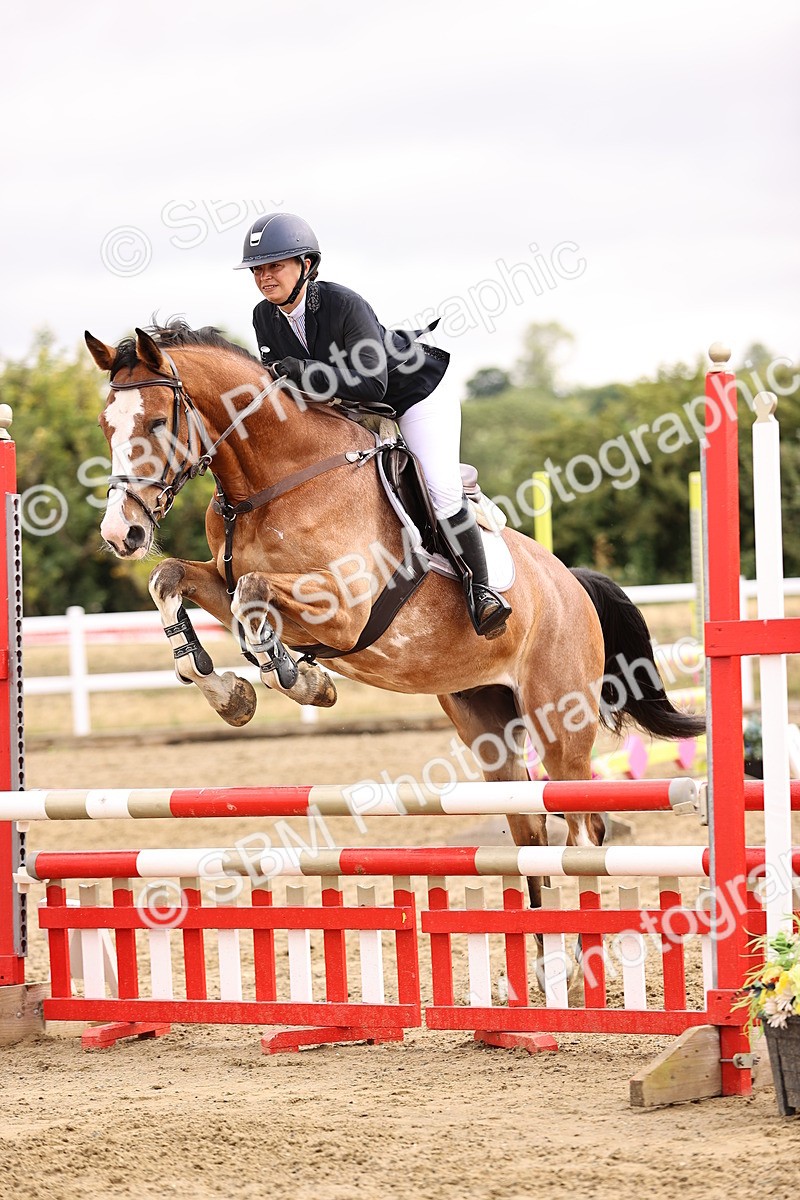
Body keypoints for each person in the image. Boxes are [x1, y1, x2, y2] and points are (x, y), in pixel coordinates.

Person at [235, 212, 512, 638]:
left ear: (306, 265)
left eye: (275, 266)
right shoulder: (263, 317)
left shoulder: (344, 304)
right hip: (353, 408)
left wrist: (304, 370)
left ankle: (483, 593)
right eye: (258, 269)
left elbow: (371, 381)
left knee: (439, 489)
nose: (264, 277)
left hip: (412, 397)